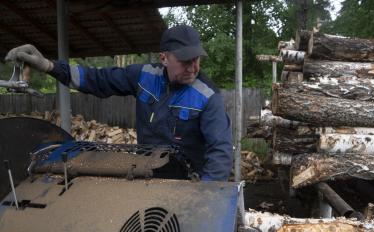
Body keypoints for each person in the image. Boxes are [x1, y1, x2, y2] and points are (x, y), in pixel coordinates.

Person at [5, 25, 233, 181]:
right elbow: (97, 80)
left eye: (196, 60)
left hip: (189, 182)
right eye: (185, 61)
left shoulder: (207, 96)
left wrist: (206, 194)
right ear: (164, 58)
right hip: (147, 175)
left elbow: (221, 152)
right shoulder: (144, 76)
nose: (193, 68)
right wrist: (48, 66)